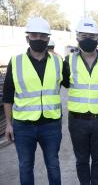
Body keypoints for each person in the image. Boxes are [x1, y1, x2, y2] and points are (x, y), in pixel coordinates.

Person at [3, 17, 63, 185]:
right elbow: (7, 96)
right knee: (25, 166)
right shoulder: (16, 62)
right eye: (34, 35)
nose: (39, 39)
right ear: (27, 38)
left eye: (43, 36)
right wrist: (9, 124)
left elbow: (74, 81)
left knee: (53, 165)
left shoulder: (58, 62)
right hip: (23, 126)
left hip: (51, 124)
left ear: (48, 39)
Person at [63, 17, 98, 185]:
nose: (88, 40)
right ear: (77, 37)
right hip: (77, 121)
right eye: (84, 36)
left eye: (92, 37)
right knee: (82, 160)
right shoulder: (68, 61)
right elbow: (61, 82)